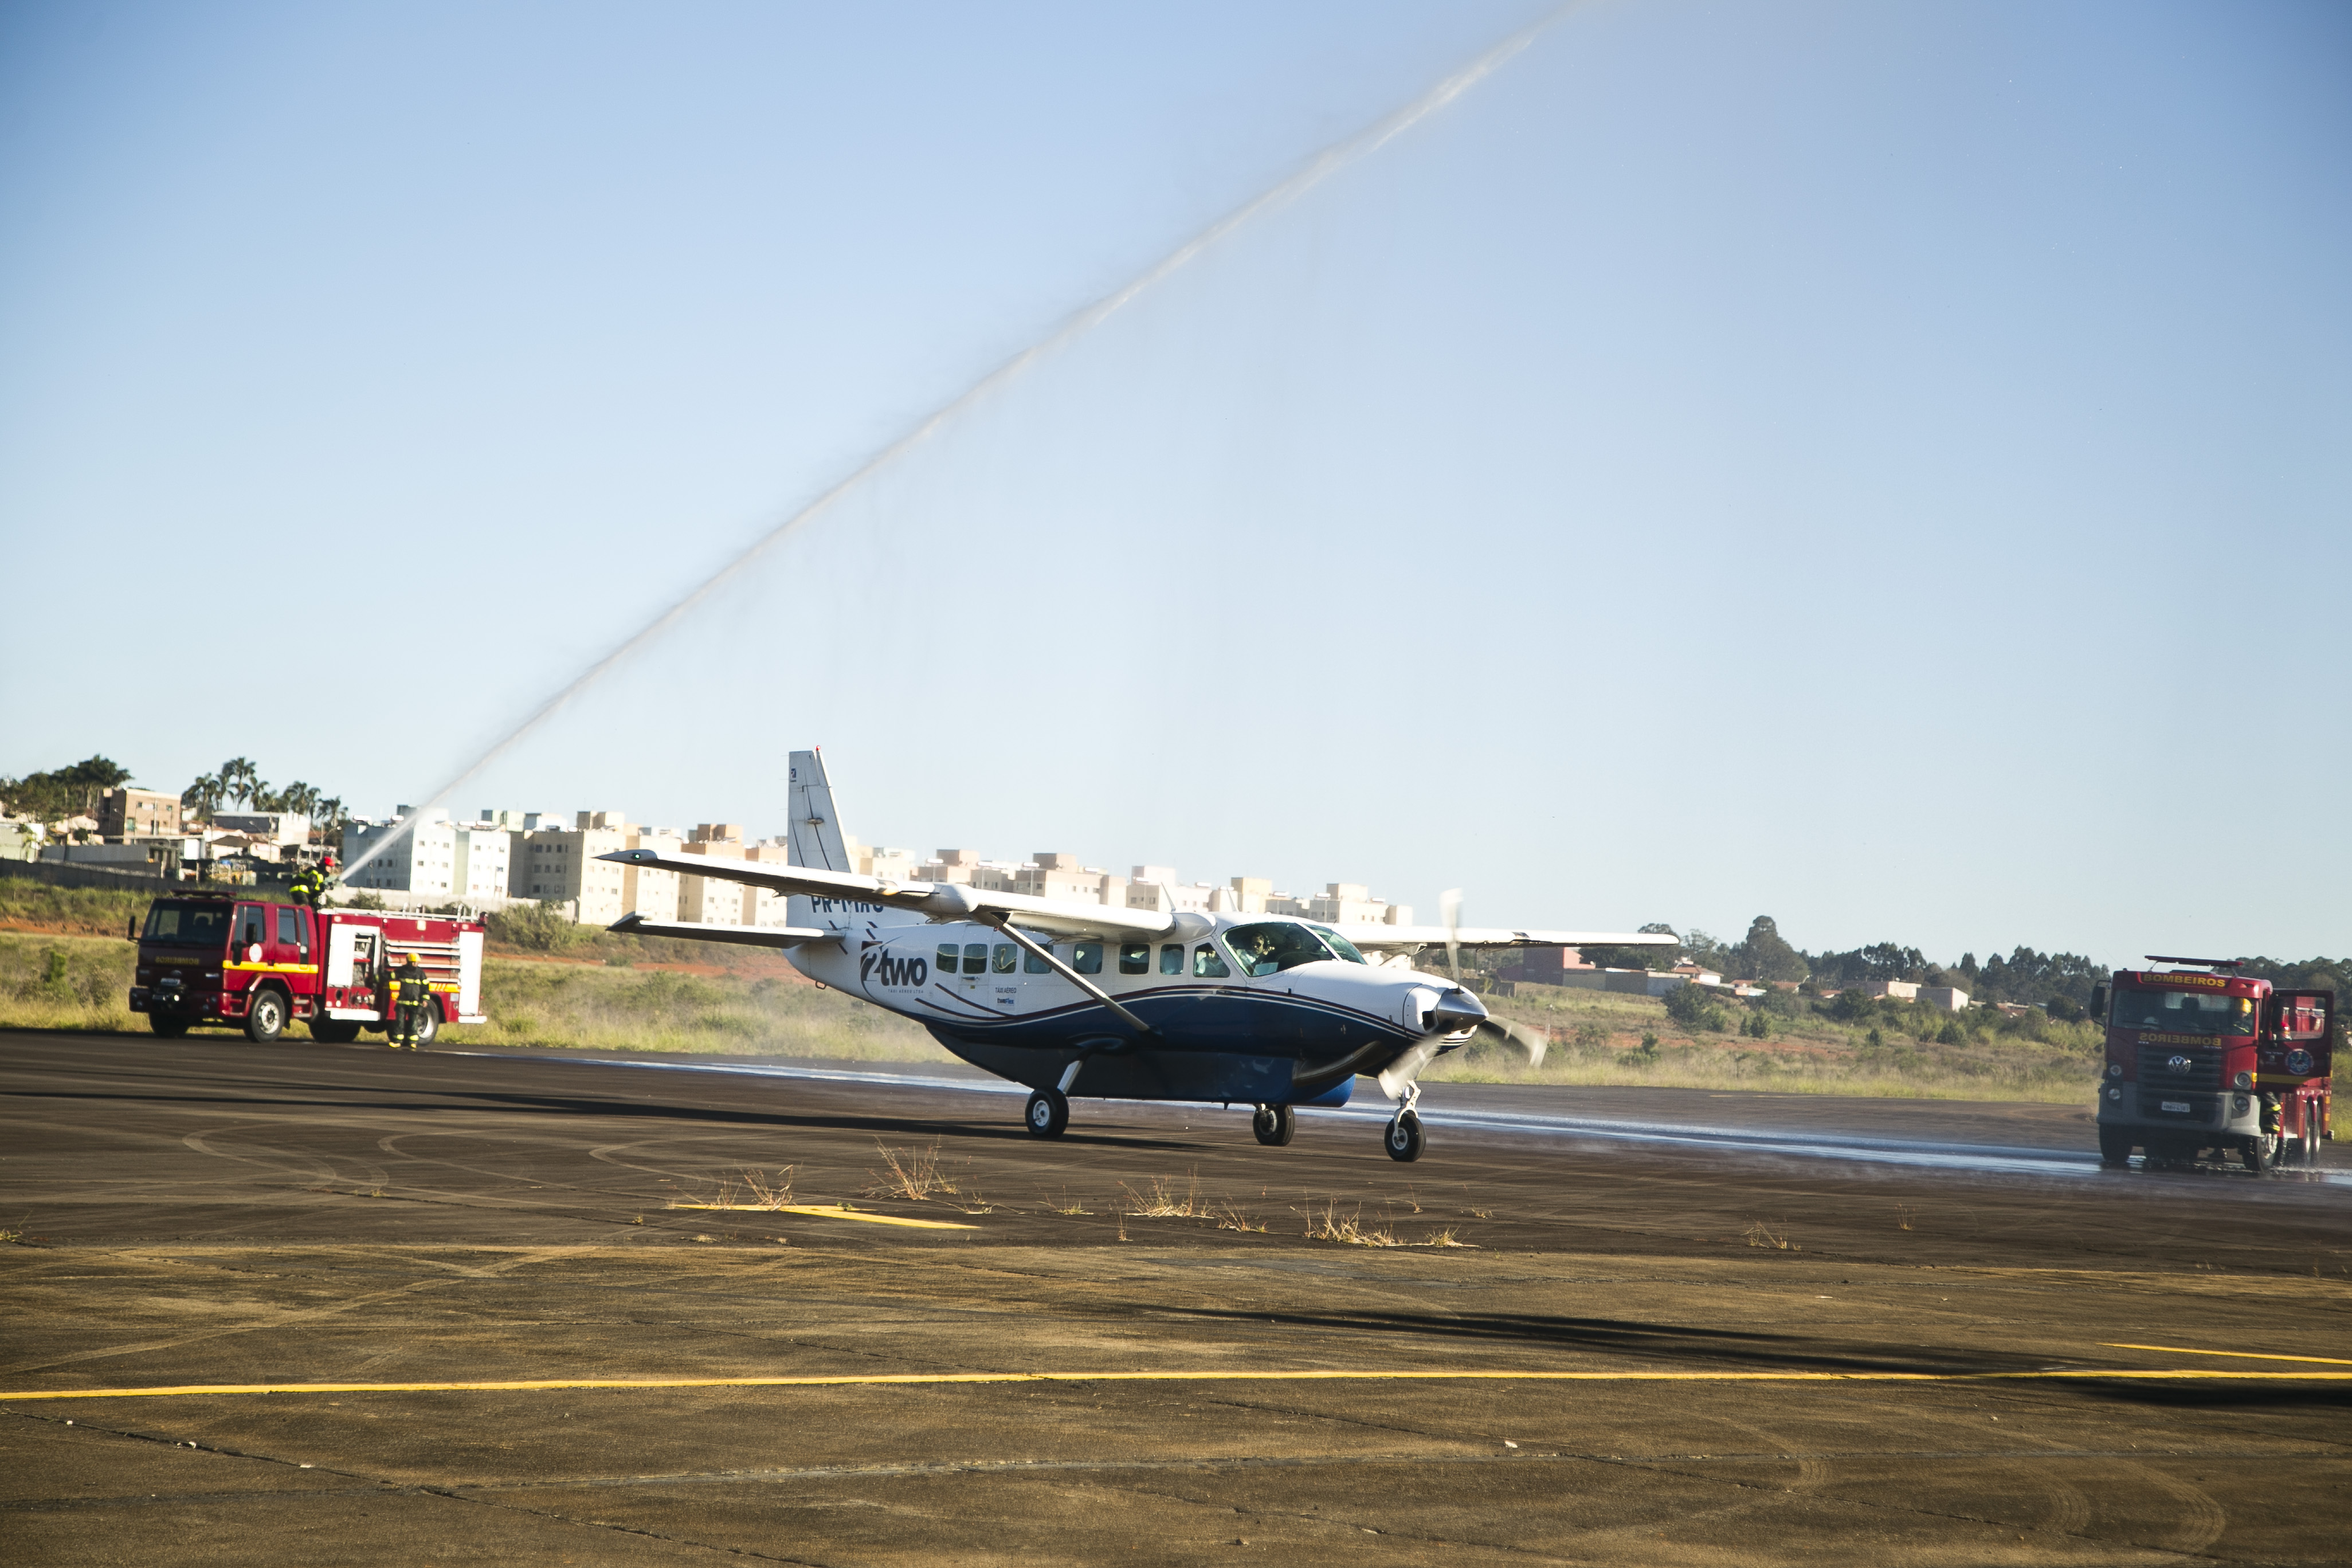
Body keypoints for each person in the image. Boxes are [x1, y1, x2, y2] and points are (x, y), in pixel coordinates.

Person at [388, 951, 429, 1049]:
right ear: (409, 962)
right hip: (402, 1002)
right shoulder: (402, 971)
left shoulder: (420, 973)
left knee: (413, 1023)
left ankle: (413, 1042)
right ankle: (398, 1041)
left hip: (415, 1003)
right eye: (414, 962)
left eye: (417, 962)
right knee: (400, 1022)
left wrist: (424, 999)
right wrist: (379, 977)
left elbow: (425, 988)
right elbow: (391, 976)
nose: (416, 964)